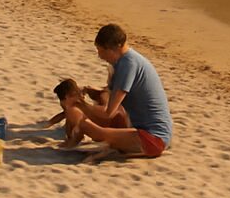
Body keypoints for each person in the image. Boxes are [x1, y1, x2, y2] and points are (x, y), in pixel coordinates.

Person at [67, 24, 173, 158]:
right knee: (79, 113)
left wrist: (80, 105)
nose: (99, 56)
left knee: (91, 126)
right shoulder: (124, 61)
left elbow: (108, 113)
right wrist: (91, 92)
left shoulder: (128, 65)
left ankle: (73, 140)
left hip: (154, 139)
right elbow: (109, 96)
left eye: (101, 51)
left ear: (115, 48)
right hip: (136, 126)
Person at [47, 77, 109, 149]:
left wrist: (68, 144)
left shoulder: (75, 108)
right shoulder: (76, 104)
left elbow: (78, 135)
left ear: (67, 97)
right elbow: (63, 115)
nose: (64, 106)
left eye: (62, 103)